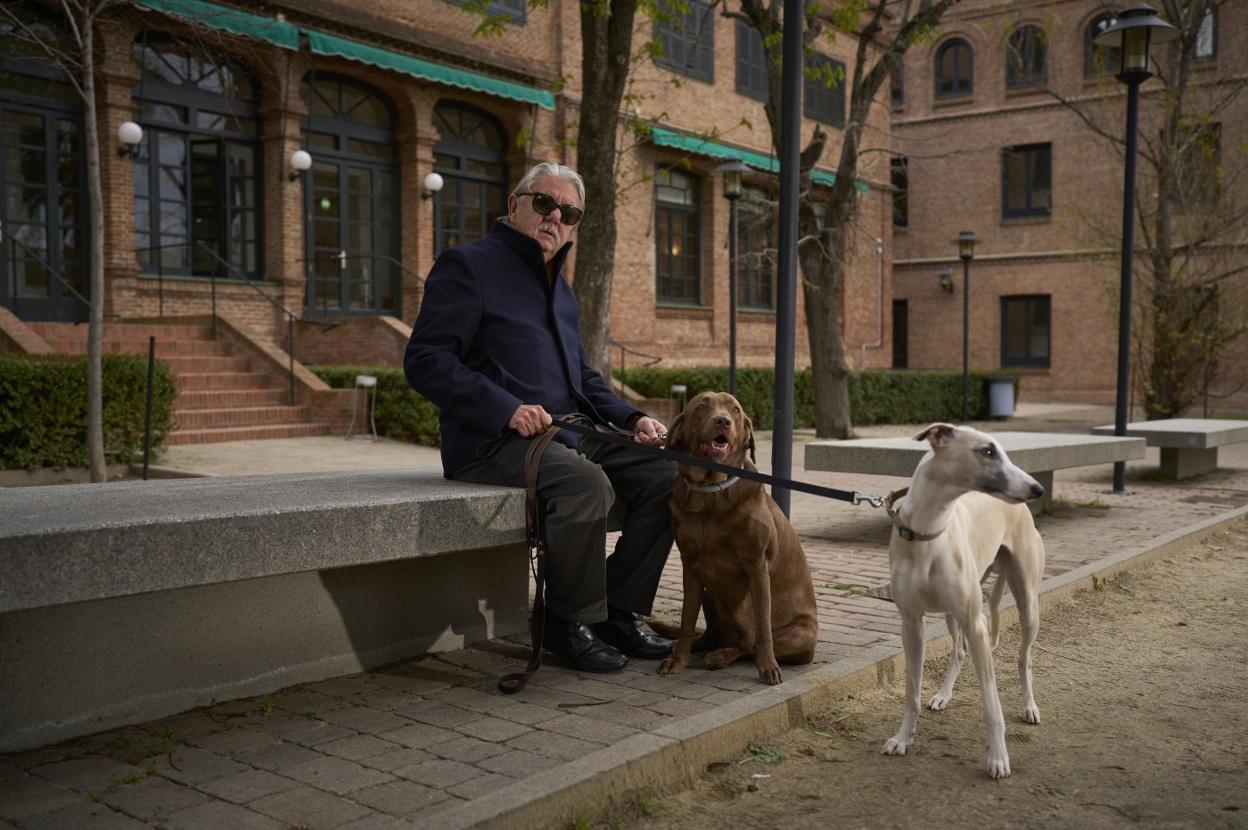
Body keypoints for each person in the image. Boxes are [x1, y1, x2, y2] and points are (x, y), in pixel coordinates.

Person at [405, 161, 675, 673]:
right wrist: (505, 408)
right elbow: (426, 361)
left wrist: (633, 416)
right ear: (515, 205)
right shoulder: (467, 265)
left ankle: (616, 610)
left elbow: (583, 379)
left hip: (571, 432)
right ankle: (562, 622)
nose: (555, 218)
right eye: (544, 203)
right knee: (584, 485)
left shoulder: (560, 289)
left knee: (666, 475)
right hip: (492, 441)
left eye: (568, 212)